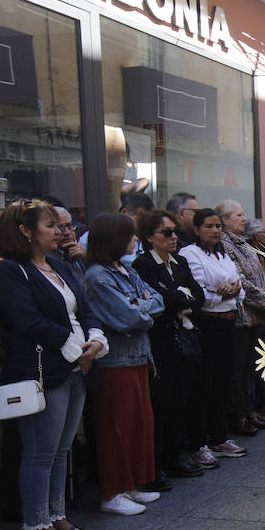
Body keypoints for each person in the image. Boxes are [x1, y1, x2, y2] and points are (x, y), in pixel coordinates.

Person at [0, 200, 106, 530]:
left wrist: (96, 339)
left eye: (60, 225)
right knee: (40, 453)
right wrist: (74, 347)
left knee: (61, 451)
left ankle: (58, 516)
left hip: (75, 367)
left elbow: (84, 308)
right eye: (50, 225)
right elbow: (26, 320)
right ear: (26, 231)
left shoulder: (59, 264)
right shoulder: (11, 270)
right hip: (43, 371)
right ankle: (39, 525)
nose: (60, 231)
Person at [84, 213, 166, 514]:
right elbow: (127, 317)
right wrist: (140, 308)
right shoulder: (98, 276)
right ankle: (112, 490)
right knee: (116, 428)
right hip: (115, 362)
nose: (135, 240)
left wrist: (138, 307)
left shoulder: (126, 270)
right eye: (130, 235)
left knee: (138, 425)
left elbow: (157, 299)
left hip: (138, 356)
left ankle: (131, 484)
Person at [133, 211, 211, 477]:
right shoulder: (143, 265)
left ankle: (175, 456)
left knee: (182, 400)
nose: (173, 237)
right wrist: (180, 297)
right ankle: (157, 463)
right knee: (162, 403)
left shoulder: (178, 262)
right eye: (166, 232)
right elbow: (164, 301)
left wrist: (181, 297)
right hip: (162, 342)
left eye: (174, 231)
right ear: (149, 237)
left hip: (186, 339)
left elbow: (198, 296)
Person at [180, 209, 248, 462]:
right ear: (196, 230)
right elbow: (200, 293)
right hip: (206, 325)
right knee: (203, 384)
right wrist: (224, 293)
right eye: (209, 226)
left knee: (223, 382)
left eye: (219, 225)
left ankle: (220, 437)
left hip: (228, 323)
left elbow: (239, 288)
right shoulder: (190, 254)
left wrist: (231, 290)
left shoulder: (223, 254)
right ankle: (199, 443)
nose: (216, 230)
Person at [217, 200, 265, 437]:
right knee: (238, 370)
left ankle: (249, 410)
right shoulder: (225, 245)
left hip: (255, 316)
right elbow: (242, 283)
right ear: (225, 220)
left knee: (249, 367)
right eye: (238, 215)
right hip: (242, 316)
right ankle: (238, 414)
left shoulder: (243, 244)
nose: (244, 219)